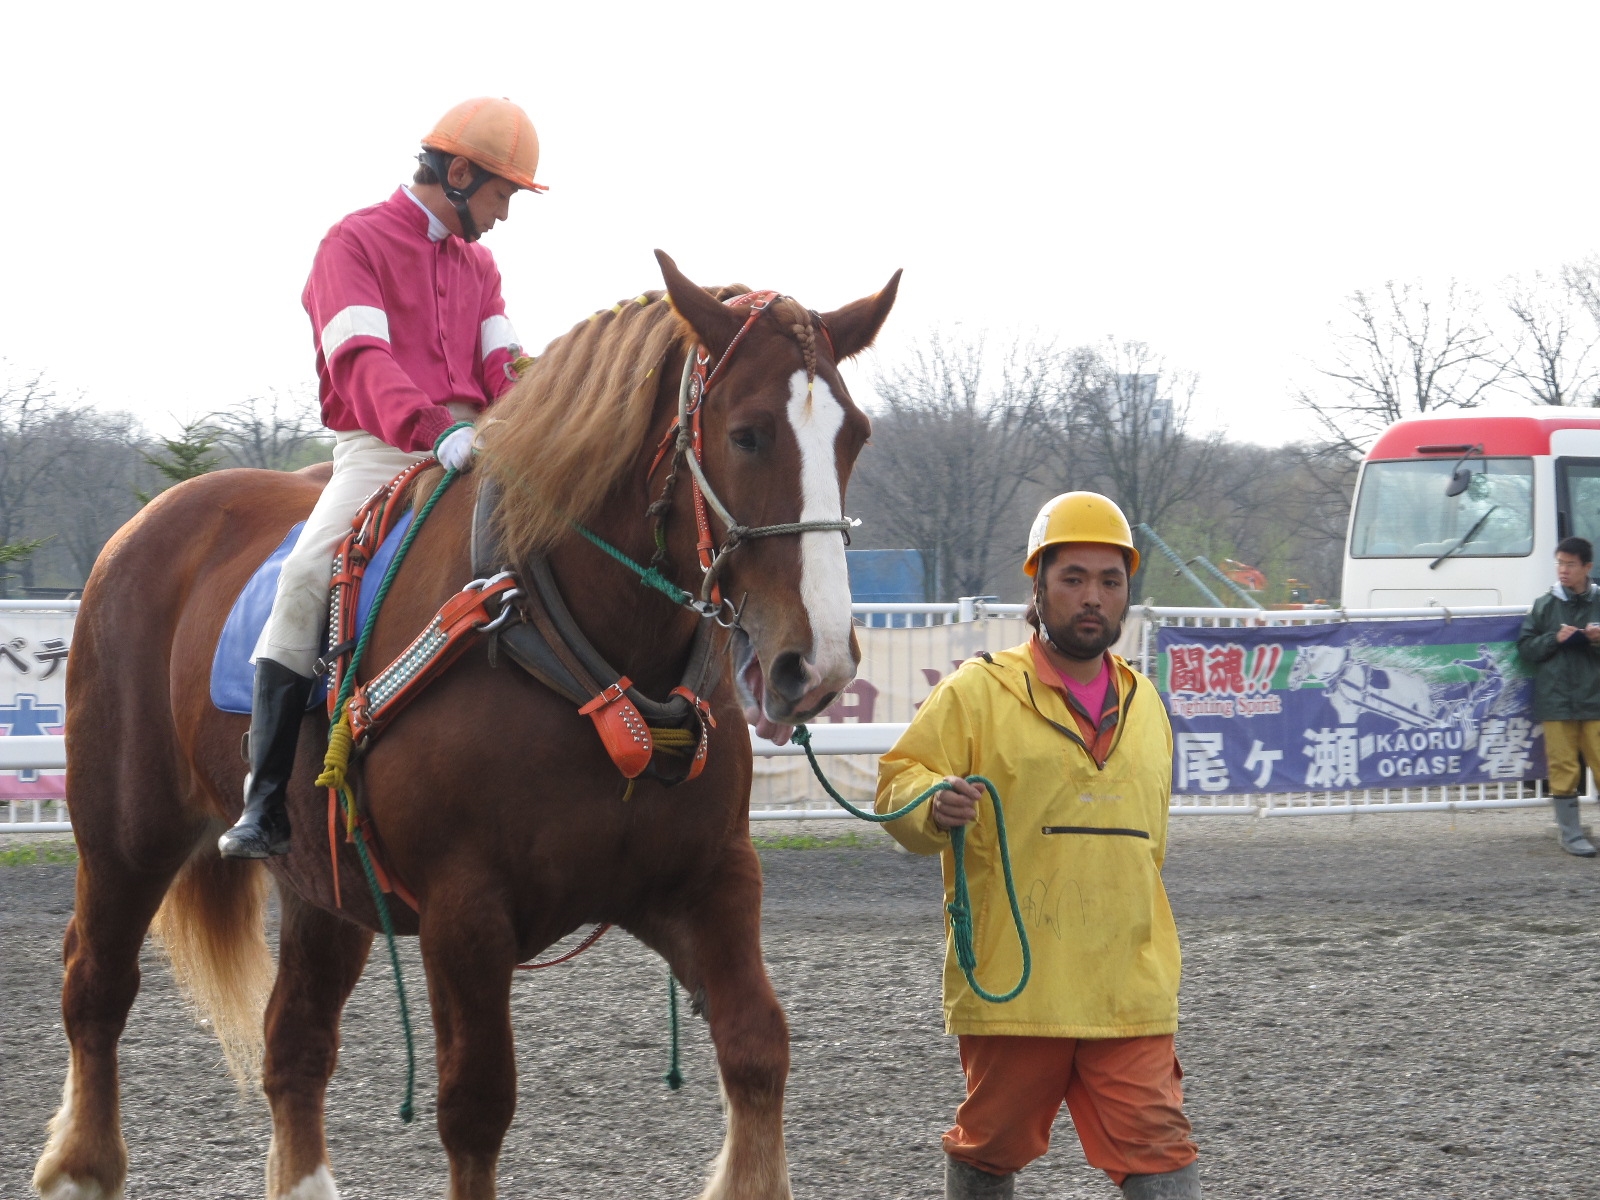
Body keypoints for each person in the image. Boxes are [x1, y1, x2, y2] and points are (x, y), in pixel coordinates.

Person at [219, 97, 544, 858]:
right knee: (307, 575)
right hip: (381, 448)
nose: (504, 215)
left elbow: (504, 367)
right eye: (502, 195)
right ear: (459, 174)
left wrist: (543, 413)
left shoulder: (481, 266)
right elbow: (360, 364)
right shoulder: (352, 243)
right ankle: (264, 801)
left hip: (480, 446)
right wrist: (435, 431)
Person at [877, 492, 1201, 1200]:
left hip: (1129, 986)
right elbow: (898, 784)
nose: (1092, 598)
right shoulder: (978, 692)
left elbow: (1151, 848)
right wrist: (931, 802)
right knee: (990, 1149)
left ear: (1127, 592)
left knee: (1161, 1150)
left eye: (1110, 581)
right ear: (1039, 586)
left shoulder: (1148, 704)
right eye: (1073, 578)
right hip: (1017, 984)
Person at [1515, 535, 1600, 858]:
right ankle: (1570, 834)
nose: (1563, 570)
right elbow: (1526, 649)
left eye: (1570, 564)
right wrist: (1555, 638)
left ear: (1587, 567)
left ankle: (1574, 834)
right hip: (1556, 699)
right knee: (1563, 767)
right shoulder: (1544, 605)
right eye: (1559, 563)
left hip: (1595, 698)